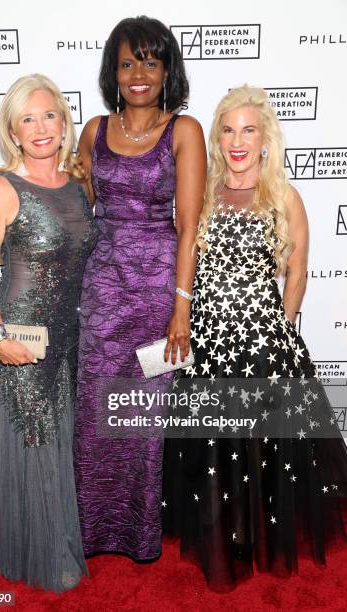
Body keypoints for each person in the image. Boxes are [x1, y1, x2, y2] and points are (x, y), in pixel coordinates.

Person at [162, 85, 347, 590]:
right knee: (216, 448)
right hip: (209, 342)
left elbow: (299, 271)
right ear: (217, 138)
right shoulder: (201, 194)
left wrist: (278, 332)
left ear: (265, 138)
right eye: (227, 129)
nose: (236, 140)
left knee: (263, 452)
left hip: (263, 343)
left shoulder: (284, 196)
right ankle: (225, 536)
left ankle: (256, 536)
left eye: (248, 129)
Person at [74, 15, 207, 560]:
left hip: (156, 297)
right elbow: (79, 213)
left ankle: (137, 534)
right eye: (127, 62)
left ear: (166, 68)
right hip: (102, 293)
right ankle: (90, 529)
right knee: (94, 412)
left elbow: (190, 225)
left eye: (150, 62)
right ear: (113, 70)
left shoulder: (184, 130)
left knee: (142, 413)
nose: (138, 74)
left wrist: (181, 308)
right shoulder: (93, 132)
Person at [0, 74, 97, 592]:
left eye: (49, 115)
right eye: (28, 119)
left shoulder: (80, 185)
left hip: (71, 336)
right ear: (13, 132)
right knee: (37, 439)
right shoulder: (2, 190)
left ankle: (44, 541)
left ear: (64, 123)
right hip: (22, 336)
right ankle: (45, 556)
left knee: (60, 441)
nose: (41, 128)